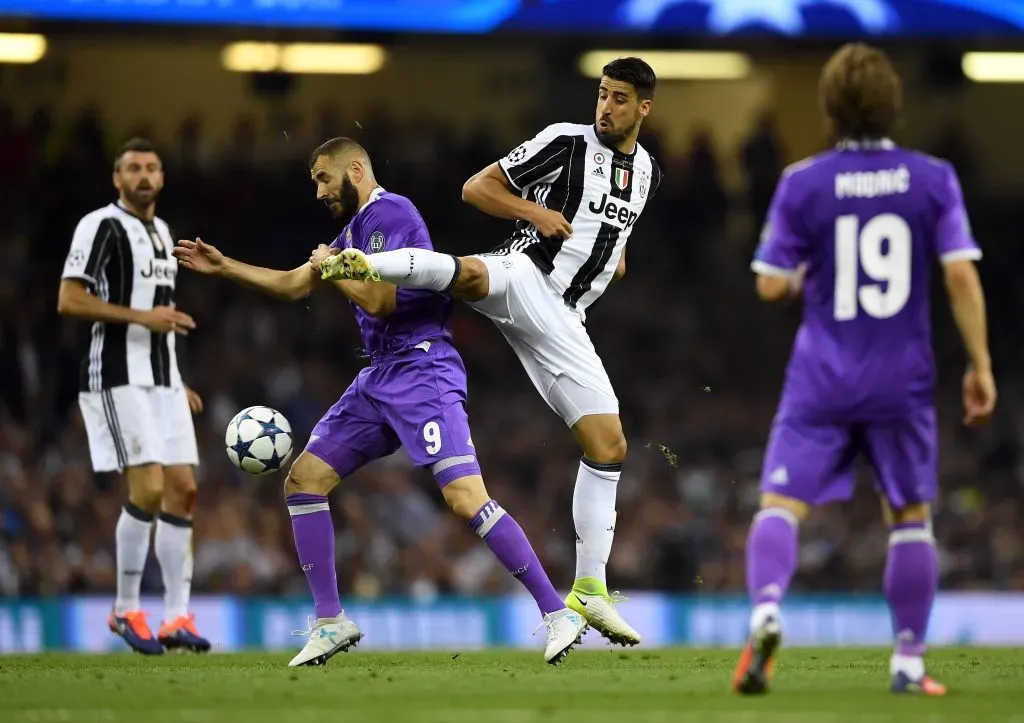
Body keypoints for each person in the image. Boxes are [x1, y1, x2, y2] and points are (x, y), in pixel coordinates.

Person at [172, 137, 587, 667]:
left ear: (356, 169)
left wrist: (337, 267)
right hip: (379, 376)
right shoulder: (349, 235)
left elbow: (382, 297)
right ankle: (329, 621)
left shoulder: (392, 214)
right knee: (304, 479)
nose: (319, 191)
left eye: (324, 178)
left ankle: (557, 612)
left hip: (422, 368)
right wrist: (224, 265)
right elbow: (294, 285)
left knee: (464, 497)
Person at [320, 57, 662, 647]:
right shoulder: (566, 142)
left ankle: (589, 590)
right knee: (474, 276)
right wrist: (534, 212)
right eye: (602, 94)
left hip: (565, 317)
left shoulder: (649, 172)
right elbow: (476, 187)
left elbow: (617, 247)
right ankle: (367, 263)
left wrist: (602, 262)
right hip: (528, 273)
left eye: (619, 98)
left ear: (644, 108)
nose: (605, 107)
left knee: (609, 446)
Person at [733, 43, 996, 696]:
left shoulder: (803, 181)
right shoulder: (933, 178)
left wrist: (803, 277)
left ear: (828, 108)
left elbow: (769, 284)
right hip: (901, 378)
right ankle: (908, 662)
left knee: (781, 504)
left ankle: (766, 610)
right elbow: (960, 273)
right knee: (910, 516)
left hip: (821, 374)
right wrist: (980, 362)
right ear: (893, 105)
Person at [58, 138, 210, 655]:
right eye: (133, 169)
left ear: (162, 178)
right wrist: (142, 319)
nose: (144, 176)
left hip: (161, 376)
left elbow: (162, 310)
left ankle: (175, 617)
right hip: (117, 374)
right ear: (117, 179)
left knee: (183, 489)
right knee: (146, 488)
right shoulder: (98, 225)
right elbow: (69, 298)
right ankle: (125, 609)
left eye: (151, 168)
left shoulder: (163, 232)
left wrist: (176, 379)